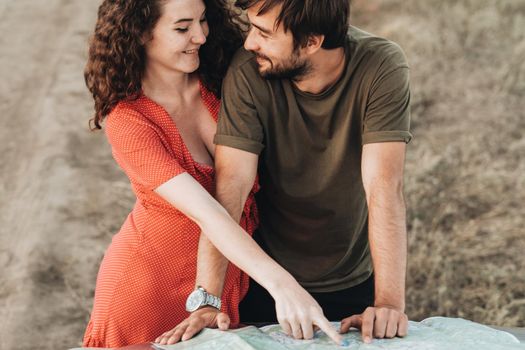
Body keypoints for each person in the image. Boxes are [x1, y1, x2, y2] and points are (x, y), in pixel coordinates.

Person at [83, 0, 341, 347]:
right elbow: (211, 214)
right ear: (140, 33)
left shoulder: (220, 81)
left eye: (204, 21)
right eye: (182, 27)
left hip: (226, 279)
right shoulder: (128, 120)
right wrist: (283, 285)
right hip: (147, 288)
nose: (201, 36)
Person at [162, 0, 412, 345]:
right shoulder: (248, 70)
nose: (250, 43)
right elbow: (231, 188)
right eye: (251, 28)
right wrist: (208, 298)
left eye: (264, 33)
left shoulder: (381, 65)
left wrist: (388, 304)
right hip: (266, 280)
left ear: (312, 41)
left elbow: (384, 187)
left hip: (352, 276)